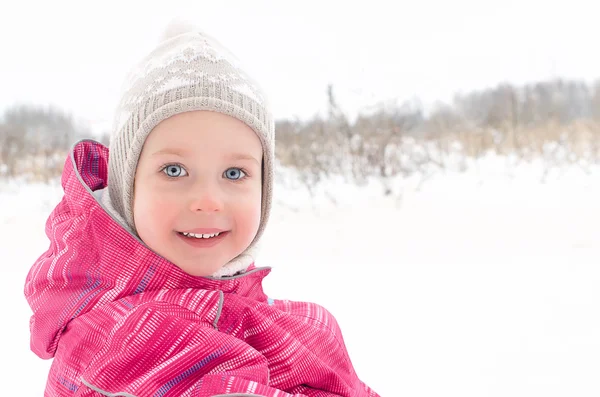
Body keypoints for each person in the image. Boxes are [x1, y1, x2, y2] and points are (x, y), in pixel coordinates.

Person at [24, 24, 380, 397]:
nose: (208, 200)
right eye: (175, 171)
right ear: (127, 188)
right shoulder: (134, 336)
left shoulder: (230, 305)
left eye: (234, 173)